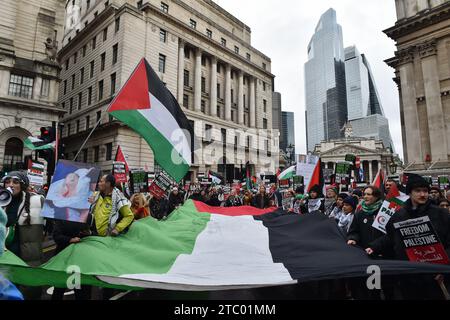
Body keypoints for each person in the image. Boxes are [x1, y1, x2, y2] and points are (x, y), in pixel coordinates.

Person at [367, 174, 450, 299]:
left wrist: (443, 268)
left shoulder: (441, 214)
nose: (423, 194)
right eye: (418, 191)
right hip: (409, 275)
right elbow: (391, 236)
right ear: (409, 193)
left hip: (436, 276)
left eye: (425, 191)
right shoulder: (399, 215)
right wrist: (373, 247)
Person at [51, 219, 92, 300]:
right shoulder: (62, 219)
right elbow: (56, 236)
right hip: (64, 258)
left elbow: (95, 234)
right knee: (59, 288)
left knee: (81, 289)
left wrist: (89, 233)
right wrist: (70, 240)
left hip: (81, 259)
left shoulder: (89, 217)